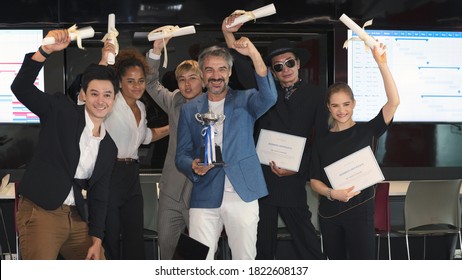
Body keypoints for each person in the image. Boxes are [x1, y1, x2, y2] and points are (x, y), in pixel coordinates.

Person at [10, 29, 118, 260]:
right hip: (41, 211)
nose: (101, 101)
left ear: (114, 99)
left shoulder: (109, 146)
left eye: (107, 95)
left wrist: (97, 241)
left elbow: (100, 195)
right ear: (84, 95)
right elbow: (21, 88)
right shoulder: (62, 112)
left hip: (78, 216)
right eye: (94, 94)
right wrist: (45, 50)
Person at [175, 37, 277, 260]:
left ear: (230, 72)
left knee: (244, 260)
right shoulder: (189, 109)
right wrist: (192, 165)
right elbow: (180, 155)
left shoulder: (246, 99)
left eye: (222, 69)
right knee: (198, 263)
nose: (216, 75)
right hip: (204, 194)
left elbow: (270, 96)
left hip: (243, 193)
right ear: (202, 73)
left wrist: (253, 54)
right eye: (209, 70)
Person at [310, 43, 399, 260]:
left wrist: (382, 63)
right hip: (330, 214)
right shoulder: (321, 141)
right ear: (328, 107)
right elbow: (314, 182)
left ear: (354, 104)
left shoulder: (368, 131)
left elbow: (394, 102)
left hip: (361, 214)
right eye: (336, 106)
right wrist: (333, 193)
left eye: (346, 104)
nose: (342, 110)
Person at [80, 41, 169, 260]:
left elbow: (146, 136)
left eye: (140, 81)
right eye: (130, 81)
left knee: (134, 239)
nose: (137, 86)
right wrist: (104, 59)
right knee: (109, 240)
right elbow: (85, 99)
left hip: (131, 178)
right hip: (109, 175)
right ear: (119, 82)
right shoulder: (110, 102)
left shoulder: (140, 107)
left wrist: (174, 125)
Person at [254, 38, 328, 260]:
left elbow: (321, 141)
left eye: (289, 63)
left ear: (298, 64)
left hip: (293, 180)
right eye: (278, 67)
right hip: (263, 180)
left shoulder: (317, 95)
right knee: (262, 246)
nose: (285, 69)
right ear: (273, 73)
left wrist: (300, 168)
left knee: (307, 242)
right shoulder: (265, 95)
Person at [144, 37, 203, 260]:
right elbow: (150, 84)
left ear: (204, 81)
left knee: (201, 255)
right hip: (170, 190)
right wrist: (156, 51)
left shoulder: (216, 104)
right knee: (167, 250)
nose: (187, 85)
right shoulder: (175, 101)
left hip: (200, 193)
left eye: (193, 79)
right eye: (182, 79)